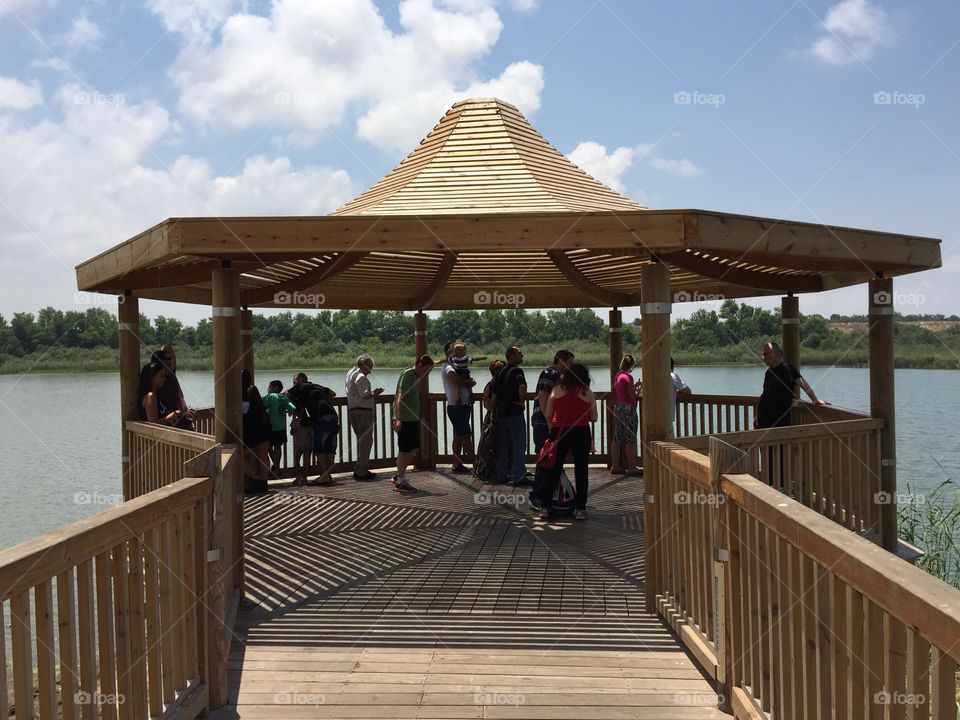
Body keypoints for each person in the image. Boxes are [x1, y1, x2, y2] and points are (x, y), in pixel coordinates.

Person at [538, 363, 598, 521]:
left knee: (553, 468)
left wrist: (554, 426)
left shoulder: (557, 390)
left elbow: (549, 413)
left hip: (559, 431)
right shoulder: (587, 392)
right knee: (581, 470)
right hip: (581, 431)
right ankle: (580, 509)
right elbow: (594, 418)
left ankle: (545, 507)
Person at [755, 342, 826, 429]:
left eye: (766, 354)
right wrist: (758, 415)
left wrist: (814, 399)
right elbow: (765, 395)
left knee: (777, 442)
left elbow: (803, 384)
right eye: (763, 354)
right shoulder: (769, 372)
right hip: (763, 420)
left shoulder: (788, 369)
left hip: (778, 422)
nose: (763, 357)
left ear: (777, 354)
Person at [392, 355, 435, 493]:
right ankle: (400, 480)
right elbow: (400, 398)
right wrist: (398, 419)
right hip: (405, 418)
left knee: (414, 449)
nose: (427, 373)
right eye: (427, 370)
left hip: (412, 418)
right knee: (405, 449)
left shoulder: (415, 375)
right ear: (419, 365)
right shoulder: (409, 375)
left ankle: (399, 474)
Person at [287, 379, 338, 486]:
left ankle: (324, 476)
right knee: (330, 448)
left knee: (320, 448)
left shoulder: (299, 387)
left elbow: (286, 394)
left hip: (321, 418)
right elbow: (333, 393)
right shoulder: (318, 386)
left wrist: (296, 404)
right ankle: (327, 476)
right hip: (333, 416)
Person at [490, 346, 528, 486]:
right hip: (515, 412)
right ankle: (519, 476)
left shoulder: (500, 372)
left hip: (502, 414)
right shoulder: (517, 371)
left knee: (503, 445)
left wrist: (494, 411)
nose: (522, 355)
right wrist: (521, 402)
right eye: (519, 353)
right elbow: (522, 387)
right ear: (511, 355)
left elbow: (495, 394)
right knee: (518, 444)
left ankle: (501, 474)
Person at [441, 341, 477, 474]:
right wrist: (470, 382)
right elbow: (454, 379)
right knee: (466, 436)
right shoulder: (448, 366)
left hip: (463, 405)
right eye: (453, 350)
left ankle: (456, 464)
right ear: (448, 352)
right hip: (456, 407)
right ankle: (476, 465)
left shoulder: (457, 365)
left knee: (459, 436)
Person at [345, 355, 383, 480]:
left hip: (353, 411)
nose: (371, 370)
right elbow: (364, 395)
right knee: (366, 442)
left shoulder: (350, 373)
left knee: (362, 441)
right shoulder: (361, 377)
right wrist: (375, 393)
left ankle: (358, 468)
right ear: (363, 365)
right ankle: (362, 471)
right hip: (363, 412)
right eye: (370, 367)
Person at [531, 350, 575, 454]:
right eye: (570, 363)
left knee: (552, 455)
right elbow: (543, 398)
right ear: (561, 361)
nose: (572, 366)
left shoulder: (556, 375)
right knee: (544, 455)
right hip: (543, 423)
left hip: (547, 422)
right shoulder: (549, 374)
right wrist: (550, 422)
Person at [610, 354, 642, 475]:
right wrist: (638, 389)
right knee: (630, 437)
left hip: (618, 406)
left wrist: (634, 388)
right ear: (632, 366)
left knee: (617, 437)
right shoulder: (629, 377)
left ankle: (615, 466)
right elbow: (632, 396)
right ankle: (632, 467)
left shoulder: (618, 375)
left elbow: (623, 390)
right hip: (628, 408)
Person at [474, 359, 505, 481]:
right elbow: (486, 402)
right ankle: (487, 468)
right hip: (492, 418)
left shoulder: (502, 384)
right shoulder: (491, 385)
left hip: (502, 416)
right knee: (489, 444)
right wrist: (495, 412)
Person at [241, 369, 271, 493]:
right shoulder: (254, 390)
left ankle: (254, 476)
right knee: (263, 455)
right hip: (264, 425)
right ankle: (263, 483)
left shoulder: (240, 393)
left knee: (240, 456)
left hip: (251, 429)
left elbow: (243, 412)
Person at [154, 344, 195, 430]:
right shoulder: (157, 386)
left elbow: (168, 347)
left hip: (184, 423)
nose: (171, 366)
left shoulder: (171, 376)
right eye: (168, 365)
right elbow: (160, 413)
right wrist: (180, 412)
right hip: (172, 428)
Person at [263, 380, 298, 477]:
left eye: (269, 387)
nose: (268, 389)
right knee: (278, 447)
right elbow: (292, 407)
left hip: (271, 427)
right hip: (281, 427)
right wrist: (290, 411)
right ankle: (277, 467)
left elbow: (260, 403)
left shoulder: (271, 396)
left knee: (268, 447)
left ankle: (276, 466)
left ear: (275, 388)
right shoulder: (284, 397)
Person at [290, 409, 313, 487]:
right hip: (309, 444)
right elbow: (311, 431)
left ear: (296, 413)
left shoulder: (295, 421)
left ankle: (299, 476)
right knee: (307, 461)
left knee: (296, 460)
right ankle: (305, 478)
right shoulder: (309, 421)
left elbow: (292, 432)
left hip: (299, 444)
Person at [670, 357, 692, 437]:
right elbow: (688, 391)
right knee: (669, 444)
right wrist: (677, 392)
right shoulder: (672, 376)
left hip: (652, 416)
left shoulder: (654, 376)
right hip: (666, 417)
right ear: (673, 366)